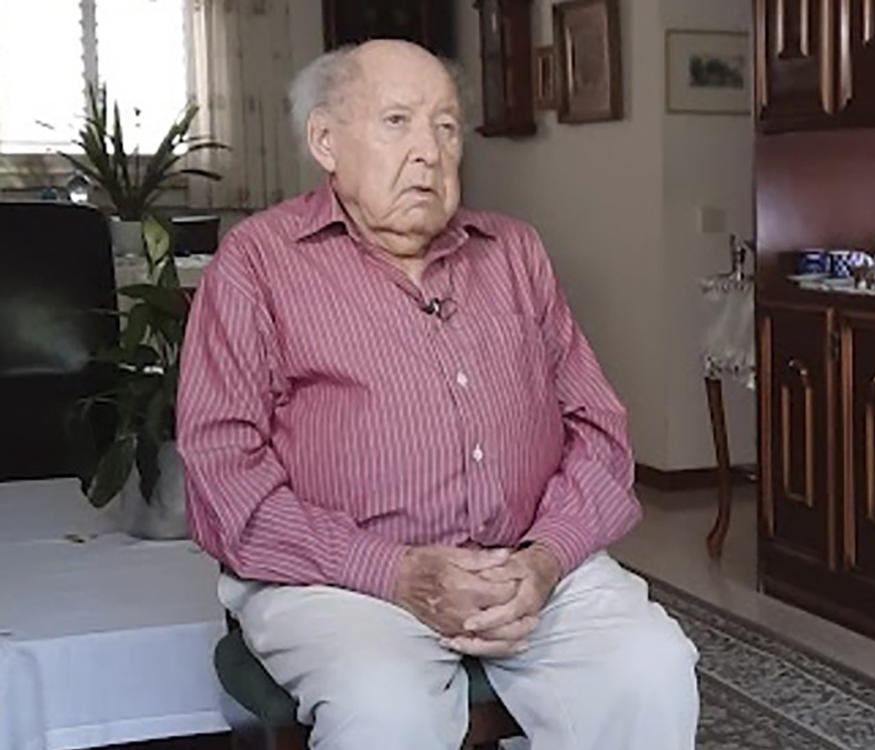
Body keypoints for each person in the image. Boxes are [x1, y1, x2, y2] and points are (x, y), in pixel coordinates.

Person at [177, 39, 698, 750]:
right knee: (387, 713)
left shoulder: (514, 253)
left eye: (446, 126)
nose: (428, 149)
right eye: (397, 120)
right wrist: (391, 570)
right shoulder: (255, 265)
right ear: (325, 140)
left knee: (653, 671)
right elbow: (223, 480)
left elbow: (599, 430)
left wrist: (545, 559)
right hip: (336, 578)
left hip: (527, 560)